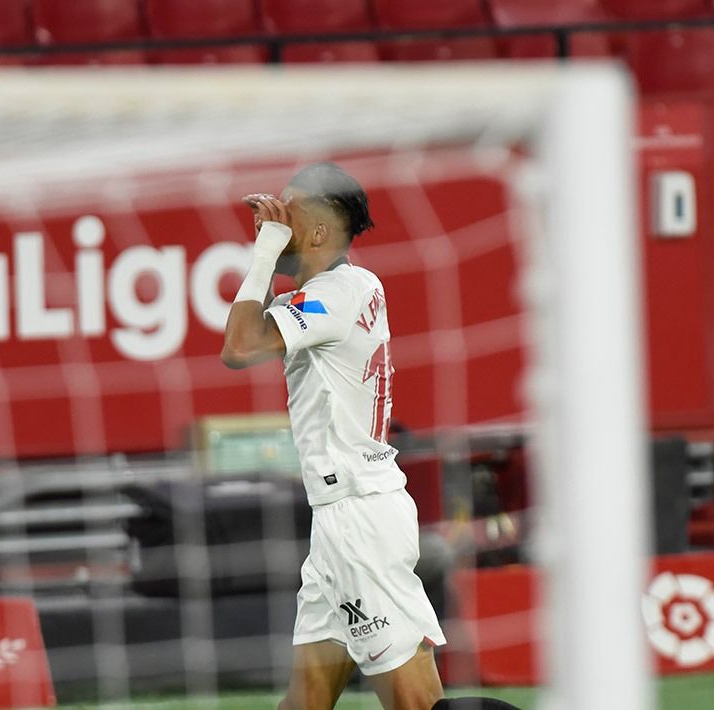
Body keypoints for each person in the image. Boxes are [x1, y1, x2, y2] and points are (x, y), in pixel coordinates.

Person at [222, 164, 521, 710]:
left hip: (360, 523)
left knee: (417, 704)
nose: (277, 219)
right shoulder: (349, 287)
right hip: (340, 520)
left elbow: (239, 347)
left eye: (289, 213)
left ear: (315, 233)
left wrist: (264, 249)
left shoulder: (337, 293)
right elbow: (259, 331)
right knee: (305, 702)